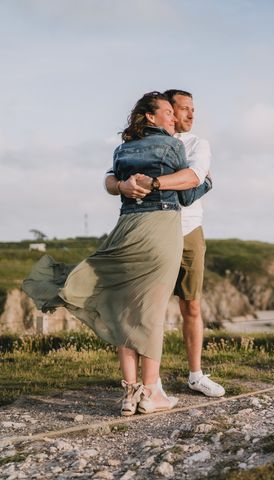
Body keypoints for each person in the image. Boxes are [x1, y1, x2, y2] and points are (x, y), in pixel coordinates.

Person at [23, 91, 212, 415]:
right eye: (171, 111)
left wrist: (124, 186)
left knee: (125, 307)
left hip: (126, 227)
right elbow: (187, 189)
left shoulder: (123, 149)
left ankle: (130, 393)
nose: (177, 116)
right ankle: (151, 392)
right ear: (151, 116)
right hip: (161, 230)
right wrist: (204, 184)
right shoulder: (174, 146)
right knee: (151, 311)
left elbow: (111, 180)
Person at [104, 89, 224, 398]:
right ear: (165, 112)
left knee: (191, 305)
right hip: (151, 229)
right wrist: (123, 185)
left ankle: (195, 375)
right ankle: (150, 384)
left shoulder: (198, 144)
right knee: (147, 308)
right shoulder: (136, 145)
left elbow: (192, 179)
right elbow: (109, 180)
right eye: (181, 109)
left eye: (192, 109)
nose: (189, 114)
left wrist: (154, 183)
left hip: (187, 230)